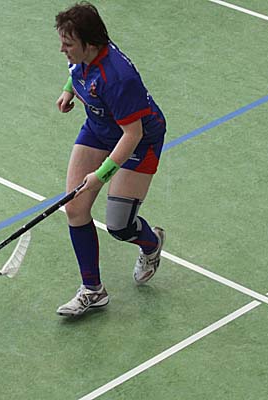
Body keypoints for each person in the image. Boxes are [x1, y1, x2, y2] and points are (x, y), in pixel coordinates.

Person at [54, 2, 167, 316]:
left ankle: (151, 244)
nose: (62, 49)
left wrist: (101, 175)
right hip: (99, 127)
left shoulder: (117, 77)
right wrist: (69, 91)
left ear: (90, 44)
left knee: (119, 226)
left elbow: (132, 134)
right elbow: (76, 72)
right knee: (75, 207)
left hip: (139, 140)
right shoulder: (83, 55)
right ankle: (93, 290)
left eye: (68, 44)